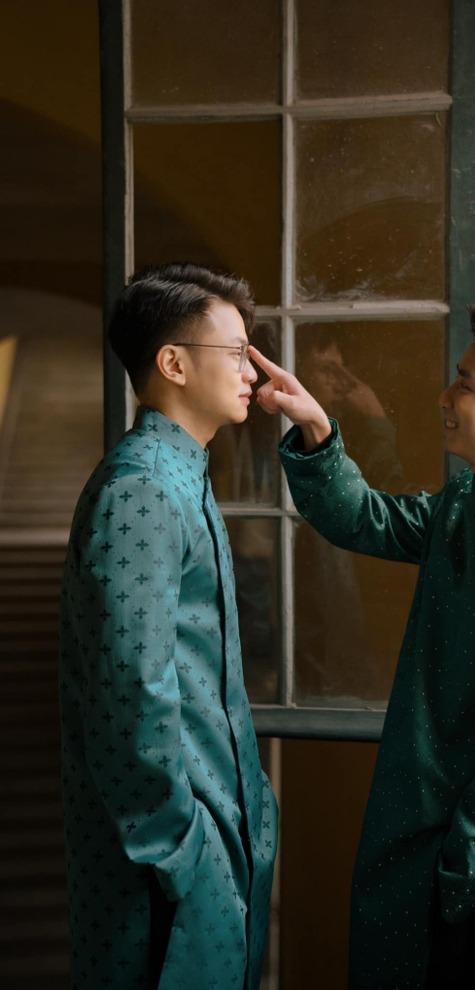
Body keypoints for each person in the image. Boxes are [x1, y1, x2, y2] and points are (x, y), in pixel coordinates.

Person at [249, 305, 475, 988]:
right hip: (410, 844)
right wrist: (315, 425)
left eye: (465, 385)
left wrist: (458, 877)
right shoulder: (470, 503)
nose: (445, 396)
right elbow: (365, 518)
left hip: (461, 885)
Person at [59, 263, 278, 990]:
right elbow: (129, 687)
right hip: (170, 855)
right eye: (236, 351)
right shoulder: (143, 487)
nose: (252, 371)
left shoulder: (179, 472)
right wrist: (181, 848)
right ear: (174, 364)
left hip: (216, 823)